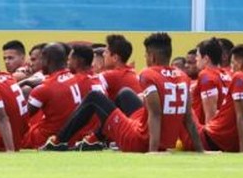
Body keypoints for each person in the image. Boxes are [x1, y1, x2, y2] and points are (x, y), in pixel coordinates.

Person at [44, 33, 203, 154]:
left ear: (152, 56)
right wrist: (200, 150)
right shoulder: (183, 77)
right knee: (125, 94)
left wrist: (153, 151)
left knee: (94, 98)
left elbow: (155, 114)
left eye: (146, 54)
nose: (145, 57)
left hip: (140, 141)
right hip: (154, 134)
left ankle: (58, 142)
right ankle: (93, 141)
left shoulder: (148, 74)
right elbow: (188, 118)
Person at [22, 43, 95, 149]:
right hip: (74, 136)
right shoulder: (78, 79)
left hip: (46, 138)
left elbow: (21, 118)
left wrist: (20, 84)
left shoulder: (44, 88)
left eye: (41, 59)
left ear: (47, 60)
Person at [191, 37, 227, 125]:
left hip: (207, 129)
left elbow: (210, 114)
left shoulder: (206, 75)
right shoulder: (227, 75)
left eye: (197, 56)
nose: (196, 59)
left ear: (206, 59)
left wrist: (208, 132)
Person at [99, 34, 139, 101]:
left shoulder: (111, 75)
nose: (103, 54)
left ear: (115, 58)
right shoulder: (131, 72)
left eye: (106, 52)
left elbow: (88, 85)